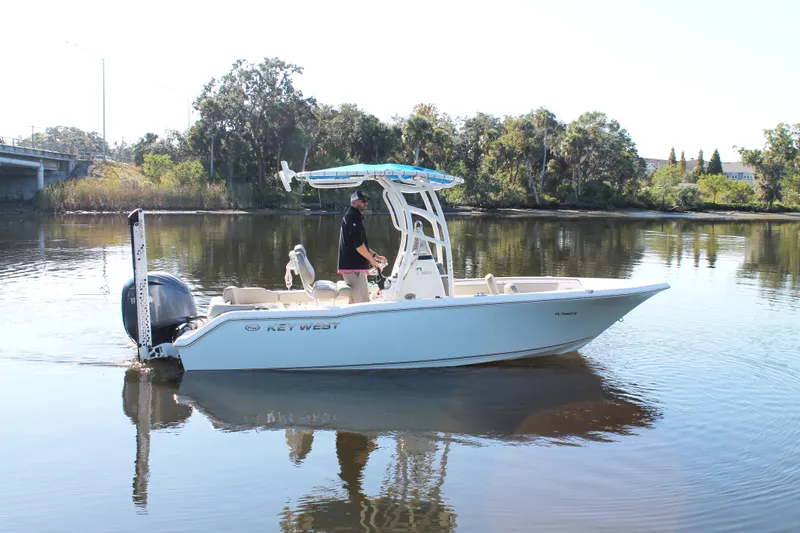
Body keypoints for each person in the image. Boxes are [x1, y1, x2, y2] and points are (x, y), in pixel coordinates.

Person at [338, 190, 387, 303]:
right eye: (363, 201)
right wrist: (373, 262)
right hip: (353, 268)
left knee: (354, 300)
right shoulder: (352, 218)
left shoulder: (355, 217)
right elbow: (359, 246)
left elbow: (361, 245)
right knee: (362, 302)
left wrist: (376, 256)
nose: (366, 203)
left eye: (367, 201)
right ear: (354, 202)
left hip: (354, 267)